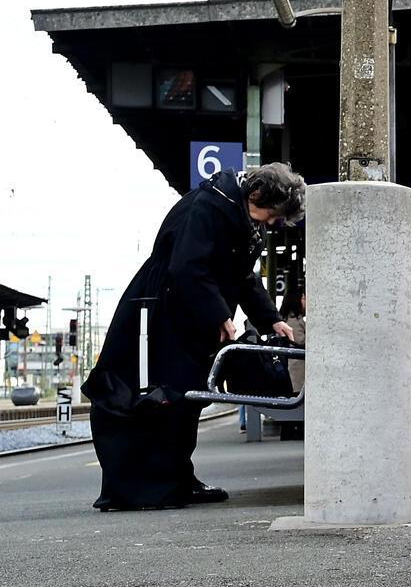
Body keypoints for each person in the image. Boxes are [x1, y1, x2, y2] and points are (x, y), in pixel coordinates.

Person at [85, 163, 304, 512]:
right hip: (164, 314)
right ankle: (151, 485)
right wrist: (218, 313)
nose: (271, 224)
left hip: (189, 313)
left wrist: (271, 319)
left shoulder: (238, 213)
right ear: (256, 193)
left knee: (186, 400)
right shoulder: (209, 206)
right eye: (270, 215)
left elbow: (243, 277)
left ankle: (177, 479)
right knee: (164, 395)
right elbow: (187, 267)